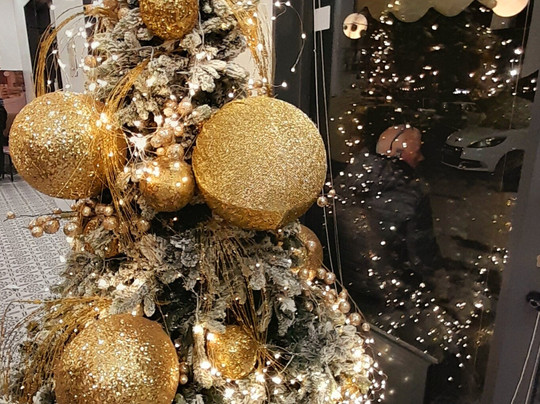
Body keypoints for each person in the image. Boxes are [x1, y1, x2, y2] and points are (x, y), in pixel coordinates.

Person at [335, 124, 441, 304]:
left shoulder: (348, 179)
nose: (421, 157)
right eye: (417, 151)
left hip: (343, 285)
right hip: (388, 294)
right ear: (399, 154)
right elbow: (422, 254)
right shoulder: (413, 193)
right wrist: (437, 281)